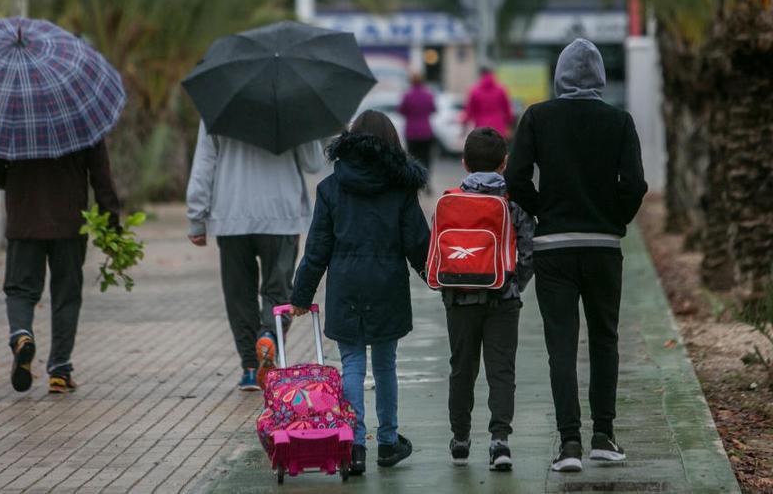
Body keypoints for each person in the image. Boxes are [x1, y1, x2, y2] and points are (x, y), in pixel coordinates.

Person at [504, 38, 648, 472]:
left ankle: (569, 444)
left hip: (554, 249)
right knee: (605, 340)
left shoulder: (538, 117)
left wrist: (543, 210)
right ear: (601, 76)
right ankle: (604, 435)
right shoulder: (619, 121)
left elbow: (515, 176)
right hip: (603, 248)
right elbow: (635, 184)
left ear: (560, 75)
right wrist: (613, 219)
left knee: (561, 346)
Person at [290, 110, 430, 475]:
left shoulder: (330, 188)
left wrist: (301, 296)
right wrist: (438, 277)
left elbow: (317, 248)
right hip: (387, 284)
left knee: (352, 364)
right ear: (391, 145)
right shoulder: (400, 188)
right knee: (385, 365)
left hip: (346, 285)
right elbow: (418, 242)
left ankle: (353, 447)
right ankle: (387, 442)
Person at [186, 122, 324, 391]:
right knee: (278, 288)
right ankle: (269, 336)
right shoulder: (291, 105)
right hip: (281, 214)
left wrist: (196, 217)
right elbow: (313, 163)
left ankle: (250, 367)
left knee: (239, 293)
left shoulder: (218, 105)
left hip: (231, 214)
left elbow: (204, 163)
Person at [0, 141, 121, 394]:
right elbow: (101, 175)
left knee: (20, 290)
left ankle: (21, 337)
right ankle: (59, 370)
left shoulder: (12, 113)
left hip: (24, 221)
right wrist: (111, 223)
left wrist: (13, 182)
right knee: (66, 295)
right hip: (70, 223)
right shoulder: (83, 115)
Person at [442, 127, 535, 471]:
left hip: (460, 299)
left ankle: (461, 438)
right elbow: (528, 250)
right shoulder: (513, 202)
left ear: (464, 164)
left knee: (461, 368)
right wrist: (514, 285)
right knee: (501, 370)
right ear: (504, 163)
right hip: (503, 299)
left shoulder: (451, 200)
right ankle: (500, 442)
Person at [398, 72, 437, 178]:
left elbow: (401, 110)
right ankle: (427, 180)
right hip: (426, 131)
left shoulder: (407, 95)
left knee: (413, 158)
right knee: (426, 158)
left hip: (411, 132)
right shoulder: (428, 95)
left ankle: (414, 179)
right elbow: (433, 109)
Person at [463, 67, 514, 139]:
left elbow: (469, 111)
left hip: (481, 128)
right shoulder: (501, 90)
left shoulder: (474, 91)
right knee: (498, 149)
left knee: (482, 149)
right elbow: (507, 110)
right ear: (492, 74)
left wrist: (464, 121)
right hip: (498, 128)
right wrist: (509, 125)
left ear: (481, 75)